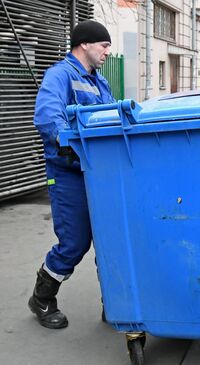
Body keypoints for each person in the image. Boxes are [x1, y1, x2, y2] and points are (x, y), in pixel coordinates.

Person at [28, 20, 115, 329]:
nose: (107, 52)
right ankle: (42, 298)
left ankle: (118, 302)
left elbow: (113, 118)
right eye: (104, 46)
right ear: (85, 44)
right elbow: (47, 115)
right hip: (68, 174)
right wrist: (67, 144)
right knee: (74, 242)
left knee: (110, 238)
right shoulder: (59, 75)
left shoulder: (99, 83)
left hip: (99, 172)